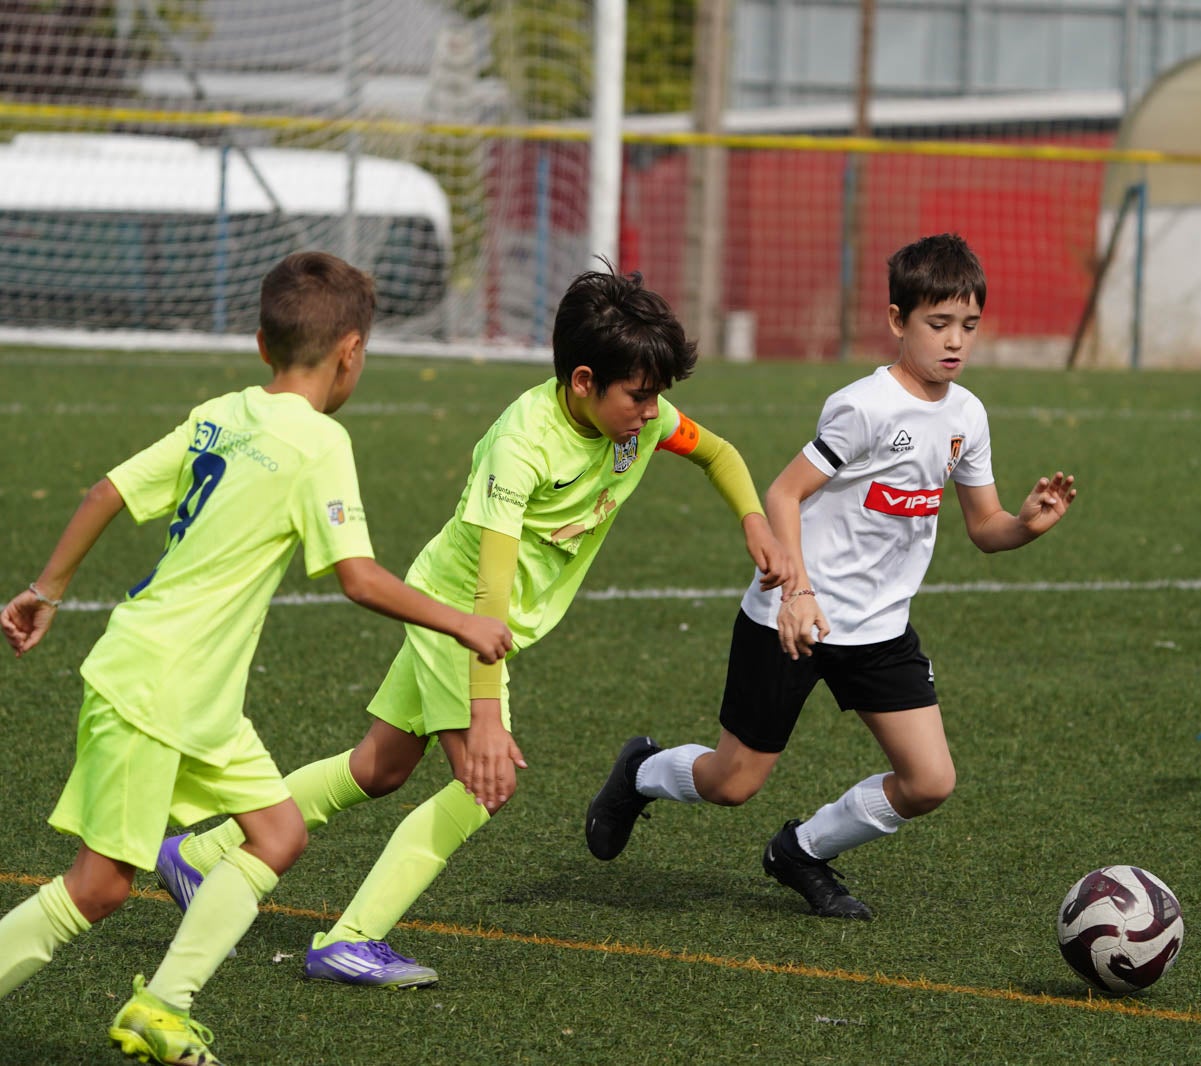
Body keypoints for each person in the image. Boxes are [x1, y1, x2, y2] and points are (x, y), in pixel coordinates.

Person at [160, 264, 790, 986]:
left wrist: (754, 521)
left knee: (379, 768)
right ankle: (350, 939)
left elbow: (718, 452)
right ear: (583, 381)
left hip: (472, 616)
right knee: (485, 785)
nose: (652, 414)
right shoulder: (521, 446)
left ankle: (199, 855)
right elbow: (490, 587)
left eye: (656, 396)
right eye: (639, 397)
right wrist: (485, 716)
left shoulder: (640, 416)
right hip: (457, 615)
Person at [0, 252, 512, 1065]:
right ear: (350, 351)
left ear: (262, 343)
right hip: (159, 685)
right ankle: (157, 1005)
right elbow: (358, 577)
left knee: (277, 832)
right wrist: (462, 623)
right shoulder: (319, 442)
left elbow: (107, 491)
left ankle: (163, 1007)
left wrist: (45, 589)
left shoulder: (221, 413)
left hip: (192, 691)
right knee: (97, 888)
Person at [584, 233, 1076, 919]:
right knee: (732, 783)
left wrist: (1025, 524)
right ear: (897, 320)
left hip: (880, 630)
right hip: (793, 620)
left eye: (968, 325)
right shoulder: (864, 407)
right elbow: (784, 494)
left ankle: (801, 851)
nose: (954, 340)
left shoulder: (967, 415)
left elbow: (984, 527)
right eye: (938, 323)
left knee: (929, 781)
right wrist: (798, 593)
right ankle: (640, 770)